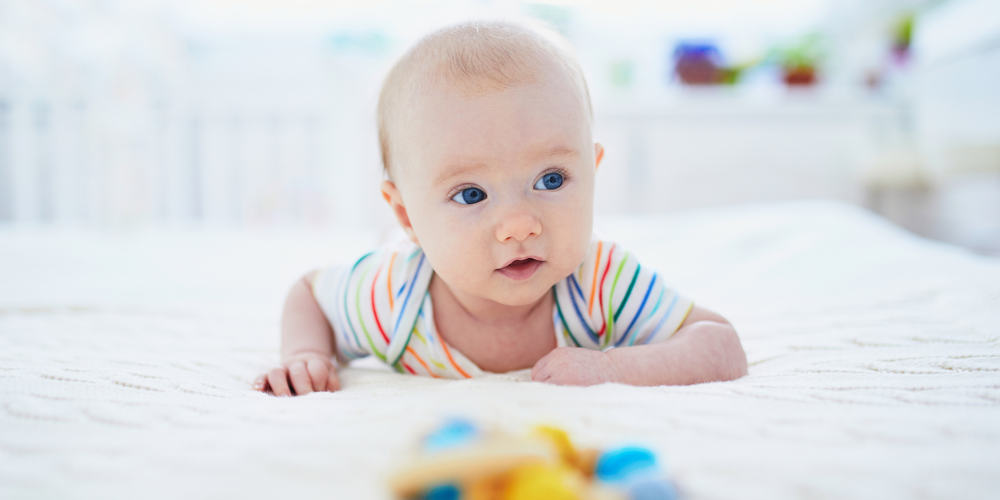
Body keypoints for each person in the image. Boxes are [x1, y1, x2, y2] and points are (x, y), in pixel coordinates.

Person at [254, 20, 747, 396]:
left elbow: (720, 344)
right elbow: (309, 294)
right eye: (471, 194)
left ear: (593, 172)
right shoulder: (392, 298)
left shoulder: (599, 282)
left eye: (550, 180)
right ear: (406, 216)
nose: (518, 225)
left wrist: (612, 369)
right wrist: (306, 354)